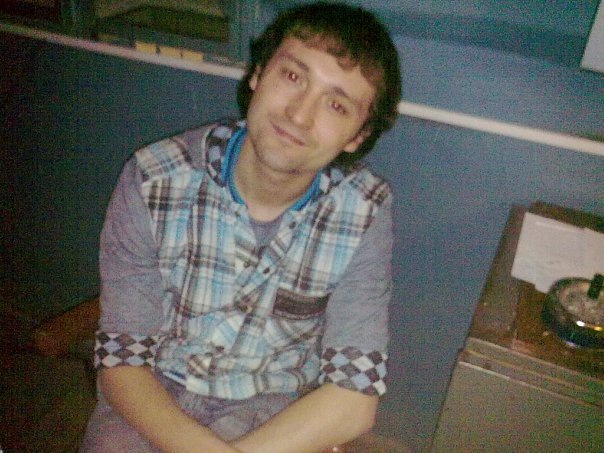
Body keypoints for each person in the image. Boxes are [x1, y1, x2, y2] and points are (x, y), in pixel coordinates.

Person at [81, 2, 401, 452]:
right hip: (152, 391)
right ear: (258, 74)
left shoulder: (364, 210)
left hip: (274, 407)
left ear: (357, 137)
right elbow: (121, 361)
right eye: (293, 76)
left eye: (335, 104)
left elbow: (354, 397)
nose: (299, 114)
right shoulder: (154, 179)